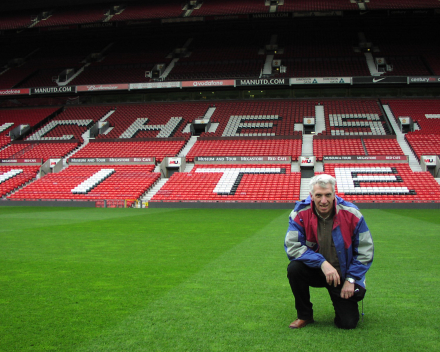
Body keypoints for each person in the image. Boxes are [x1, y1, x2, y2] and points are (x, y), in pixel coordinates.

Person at [284, 174, 374, 330]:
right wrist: (322, 263)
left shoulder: (352, 214)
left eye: (327, 195)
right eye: (318, 195)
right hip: (317, 270)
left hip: (343, 274)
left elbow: (365, 251)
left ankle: (347, 296)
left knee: (347, 323)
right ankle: (304, 315)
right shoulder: (299, 214)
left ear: (334, 194)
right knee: (294, 269)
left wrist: (352, 279)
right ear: (312, 196)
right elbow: (293, 246)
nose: (323, 201)